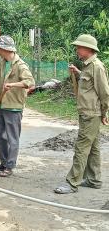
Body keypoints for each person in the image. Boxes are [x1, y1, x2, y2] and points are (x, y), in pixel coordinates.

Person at [54, 34, 109, 194]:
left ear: (89, 49)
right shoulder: (88, 66)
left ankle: (72, 183)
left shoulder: (97, 66)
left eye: (79, 47)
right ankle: (94, 179)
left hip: (91, 114)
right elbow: (89, 84)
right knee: (93, 147)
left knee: (81, 147)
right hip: (87, 112)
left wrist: (104, 113)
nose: (77, 49)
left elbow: (105, 93)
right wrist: (78, 72)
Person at [0, 35, 35, 177]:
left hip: (14, 107)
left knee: (12, 138)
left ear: (4, 48)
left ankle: (10, 166)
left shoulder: (20, 65)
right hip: (2, 105)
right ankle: (3, 162)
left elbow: (30, 82)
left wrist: (13, 84)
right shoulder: (2, 63)